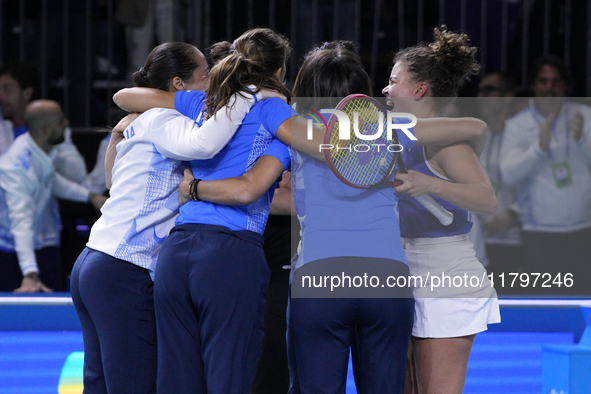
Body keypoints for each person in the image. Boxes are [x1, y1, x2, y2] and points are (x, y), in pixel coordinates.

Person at [71, 41, 279, 394]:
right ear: (180, 85)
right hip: (125, 268)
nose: (212, 82)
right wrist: (243, 96)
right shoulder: (167, 120)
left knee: (101, 384)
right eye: (204, 75)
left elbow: (111, 178)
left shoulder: (144, 120)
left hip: (95, 262)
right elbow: (204, 145)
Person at [286, 40, 493, 394]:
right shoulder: (386, 127)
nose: (385, 88)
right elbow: (475, 127)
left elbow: (262, 187)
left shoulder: (293, 128)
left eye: (394, 80)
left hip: (326, 279)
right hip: (390, 279)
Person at [383, 26, 500, 394]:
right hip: (400, 270)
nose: (385, 89)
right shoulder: (389, 135)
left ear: (419, 89)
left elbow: (487, 199)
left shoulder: (449, 143)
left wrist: (430, 184)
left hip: (446, 274)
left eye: (393, 81)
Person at [499, 56, 591, 295]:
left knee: (583, 301)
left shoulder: (584, 115)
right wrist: (537, 150)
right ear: (534, 85)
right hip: (539, 234)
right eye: (543, 81)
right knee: (547, 302)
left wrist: (582, 141)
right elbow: (508, 174)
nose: (549, 88)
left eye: (556, 81)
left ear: (566, 85)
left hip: (584, 229)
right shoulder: (517, 125)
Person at [0, 100, 106, 293]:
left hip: (38, 245)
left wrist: (91, 196)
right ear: (45, 130)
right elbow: (20, 223)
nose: (66, 122)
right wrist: (30, 275)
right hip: (11, 253)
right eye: (60, 120)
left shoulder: (37, 149)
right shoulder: (16, 168)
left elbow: (50, 180)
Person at [474, 72, 525, 290]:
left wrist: (514, 213)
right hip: (480, 239)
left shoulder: (523, 134)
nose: (480, 96)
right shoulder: (474, 136)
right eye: (480, 91)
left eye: (489, 90)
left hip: (515, 239)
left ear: (507, 96)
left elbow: (537, 184)